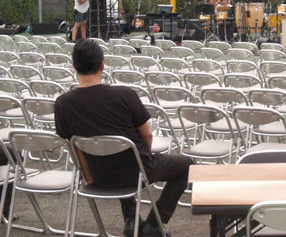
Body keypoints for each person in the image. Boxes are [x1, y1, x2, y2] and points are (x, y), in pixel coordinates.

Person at [55, 40, 193, 237]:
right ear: (102, 65)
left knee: (115, 154)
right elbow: (147, 135)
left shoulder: (62, 104)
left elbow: (72, 146)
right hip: (135, 171)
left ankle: (131, 219)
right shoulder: (124, 95)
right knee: (187, 165)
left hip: (98, 174)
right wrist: (143, 161)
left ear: (73, 65)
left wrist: (88, 174)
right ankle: (155, 224)